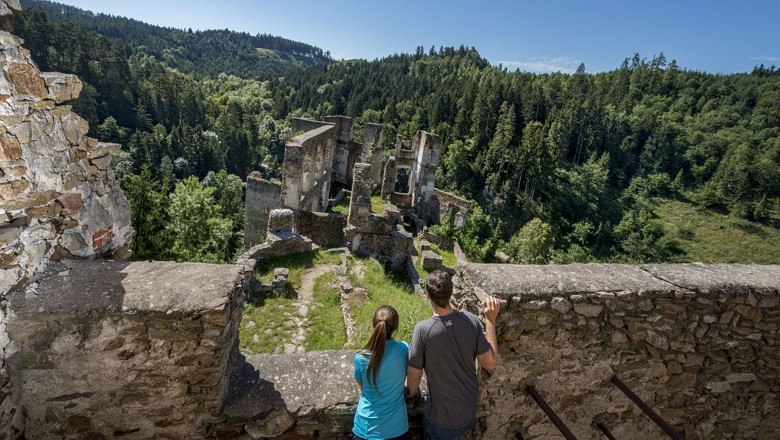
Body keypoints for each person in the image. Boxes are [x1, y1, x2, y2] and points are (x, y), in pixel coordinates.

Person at [406, 270, 500, 440]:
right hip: (467, 411)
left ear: (428, 296)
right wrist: (490, 320)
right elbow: (491, 363)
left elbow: (414, 376)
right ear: (451, 293)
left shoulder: (423, 330)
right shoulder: (471, 320)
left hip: (440, 417)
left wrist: (410, 394)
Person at [352, 305, 410, 440]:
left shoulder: (361, 358)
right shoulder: (404, 350)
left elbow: (361, 383)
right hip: (397, 428)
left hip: (365, 428)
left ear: (373, 325)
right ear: (396, 327)